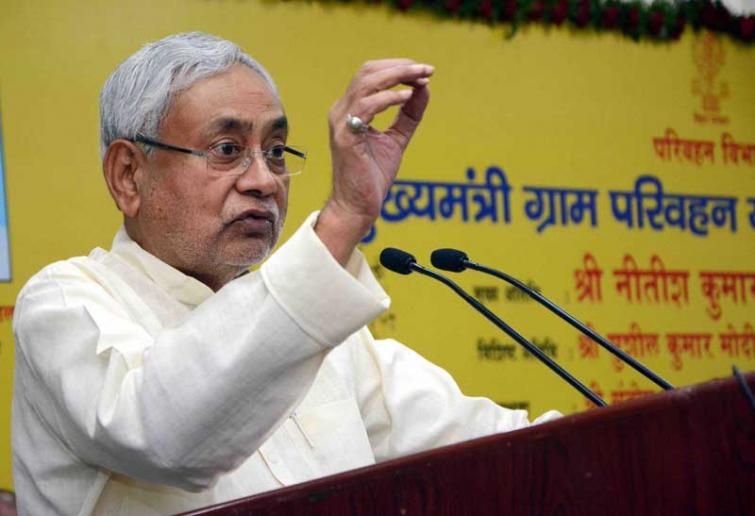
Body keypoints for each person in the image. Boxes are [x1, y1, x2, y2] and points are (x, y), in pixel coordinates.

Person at [12, 32, 559, 515]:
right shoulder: (63, 303)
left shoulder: (320, 338)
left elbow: (500, 448)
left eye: (275, 151)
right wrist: (342, 220)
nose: (264, 180)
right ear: (129, 175)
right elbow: (164, 435)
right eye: (228, 149)